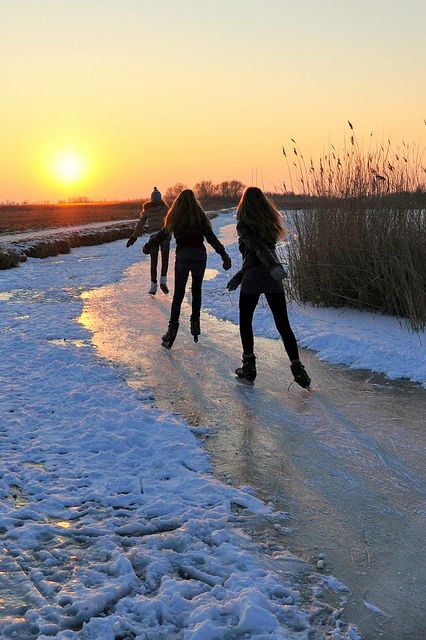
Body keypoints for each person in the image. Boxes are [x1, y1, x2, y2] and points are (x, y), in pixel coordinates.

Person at [227, 186, 311, 390]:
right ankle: (298, 368)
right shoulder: (270, 223)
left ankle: (249, 368)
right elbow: (256, 252)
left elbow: (257, 248)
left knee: (246, 322)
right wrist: (241, 276)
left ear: (244, 204)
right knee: (283, 324)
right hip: (270, 277)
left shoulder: (243, 225)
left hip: (256, 277)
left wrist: (271, 266)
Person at [143, 189, 232, 349]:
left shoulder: (175, 217)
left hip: (183, 257)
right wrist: (224, 255)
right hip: (199, 257)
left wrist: (149, 245)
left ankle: (171, 332)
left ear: (178, 203)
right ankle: (195, 324)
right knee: (197, 291)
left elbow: (162, 234)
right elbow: (211, 238)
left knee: (178, 295)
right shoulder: (199, 217)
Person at [126, 187, 170, 294]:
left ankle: (153, 285)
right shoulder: (165, 208)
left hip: (153, 237)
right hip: (164, 235)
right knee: (165, 258)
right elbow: (172, 221)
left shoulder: (147, 210)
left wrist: (134, 237)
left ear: (151, 199)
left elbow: (140, 224)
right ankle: (163, 280)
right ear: (160, 198)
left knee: (153, 261)